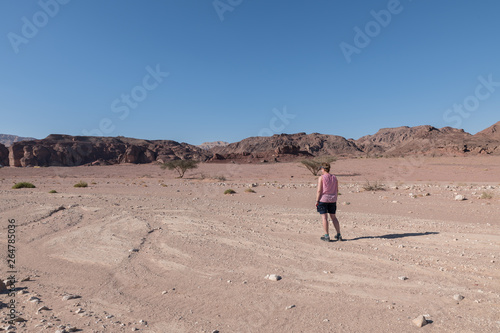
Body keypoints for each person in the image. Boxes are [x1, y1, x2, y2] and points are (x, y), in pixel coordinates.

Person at [316, 162, 342, 242]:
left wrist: (317, 200)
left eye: (321, 168)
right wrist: (334, 198)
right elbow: (337, 190)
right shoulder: (334, 177)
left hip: (323, 199)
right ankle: (339, 235)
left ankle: (326, 235)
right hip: (333, 199)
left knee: (324, 217)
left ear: (323, 169)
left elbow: (319, 190)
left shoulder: (321, 177)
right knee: (333, 217)